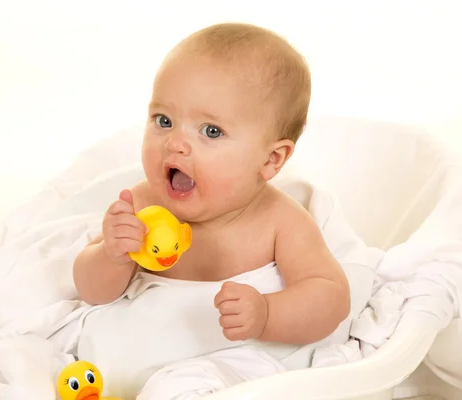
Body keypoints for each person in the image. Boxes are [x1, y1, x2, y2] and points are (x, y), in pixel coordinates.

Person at [71, 22, 351, 398]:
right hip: (136, 359)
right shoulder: (140, 205)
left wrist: (267, 314)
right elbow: (91, 292)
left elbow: (330, 298)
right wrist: (111, 254)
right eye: (164, 120)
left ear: (271, 159)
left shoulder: (279, 223)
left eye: (211, 131)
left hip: (228, 367)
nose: (175, 143)